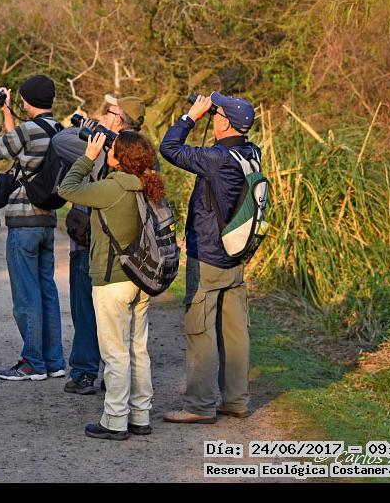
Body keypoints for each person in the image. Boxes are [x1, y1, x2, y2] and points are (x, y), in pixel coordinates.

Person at [159, 92, 260, 424]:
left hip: (209, 256)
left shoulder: (218, 158)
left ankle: (199, 406)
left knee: (200, 329)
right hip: (236, 255)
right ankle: (236, 400)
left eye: (216, 114)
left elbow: (169, 148)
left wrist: (191, 116)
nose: (213, 117)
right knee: (235, 331)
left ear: (225, 123)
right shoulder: (252, 153)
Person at [58, 130, 164, 440]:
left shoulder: (111, 188)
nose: (108, 151)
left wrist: (87, 158)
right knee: (138, 350)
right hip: (142, 277)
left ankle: (115, 420)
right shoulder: (148, 186)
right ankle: (140, 416)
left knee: (115, 353)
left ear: (119, 158)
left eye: (112, 148)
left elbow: (67, 189)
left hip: (112, 281)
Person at [52, 94, 147, 396]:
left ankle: (84, 371)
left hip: (91, 246)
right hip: (130, 250)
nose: (104, 114)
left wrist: (90, 130)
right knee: (124, 320)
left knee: (86, 310)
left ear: (119, 120)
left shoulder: (103, 149)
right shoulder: (141, 152)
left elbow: (59, 141)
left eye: (109, 111)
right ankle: (116, 376)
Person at [0, 74, 66, 381]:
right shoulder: (58, 130)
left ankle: (32, 363)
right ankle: (54, 361)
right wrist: (7, 111)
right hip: (47, 220)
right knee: (46, 292)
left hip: (23, 222)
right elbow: (19, 149)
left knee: (26, 295)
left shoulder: (28, 131)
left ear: (28, 100)